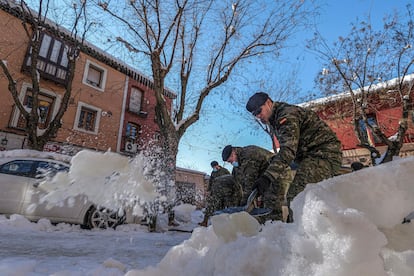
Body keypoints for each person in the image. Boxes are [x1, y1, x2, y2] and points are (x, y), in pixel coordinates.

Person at [246, 92, 343, 222]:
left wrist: (267, 177)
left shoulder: (285, 115)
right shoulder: (275, 119)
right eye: (255, 114)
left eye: (259, 111)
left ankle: (298, 236)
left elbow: (288, 151)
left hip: (323, 154)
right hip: (308, 157)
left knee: (296, 196)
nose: (258, 116)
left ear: (269, 102)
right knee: (281, 179)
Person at [221, 145, 292, 222]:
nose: (231, 163)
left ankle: (276, 228)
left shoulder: (249, 155)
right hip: (264, 180)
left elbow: (249, 183)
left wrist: (243, 205)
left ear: (234, 152)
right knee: (261, 209)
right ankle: (268, 226)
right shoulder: (237, 167)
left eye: (230, 161)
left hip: (277, 173)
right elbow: (241, 185)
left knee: (271, 204)